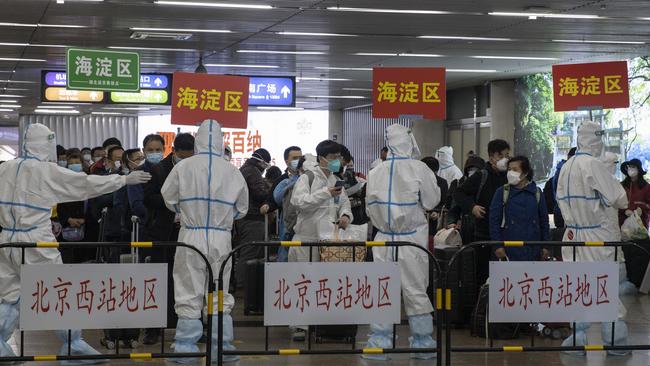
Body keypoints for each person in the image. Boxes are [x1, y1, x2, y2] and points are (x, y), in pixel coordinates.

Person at [0, 123, 150, 363]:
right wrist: (122, 181)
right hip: (36, 240)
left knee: (9, 294)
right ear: (47, 143)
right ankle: (73, 344)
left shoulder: (5, 168)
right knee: (60, 290)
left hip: (7, 240)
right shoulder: (46, 170)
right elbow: (85, 184)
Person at [161, 119, 248, 363]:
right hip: (222, 238)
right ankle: (223, 348)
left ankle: (186, 350)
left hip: (191, 234)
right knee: (220, 290)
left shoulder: (183, 167)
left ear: (197, 140)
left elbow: (168, 197)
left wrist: (185, 210)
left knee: (188, 290)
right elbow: (242, 209)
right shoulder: (232, 170)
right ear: (222, 142)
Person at [364, 124, 440, 360]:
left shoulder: (376, 171)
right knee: (416, 290)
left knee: (382, 289)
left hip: (383, 238)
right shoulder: (420, 168)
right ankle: (422, 341)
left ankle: (380, 340)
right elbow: (431, 201)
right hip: (411, 238)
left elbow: (369, 207)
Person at [557, 122, 629, 356]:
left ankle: (576, 341)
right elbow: (621, 199)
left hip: (571, 235)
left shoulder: (567, 166)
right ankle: (615, 341)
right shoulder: (593, 165)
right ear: (596, 140)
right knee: (602, 287)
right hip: (595, 235)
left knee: (577, 288)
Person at [289, 141, 352, 341]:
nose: (337, 161)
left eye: (339, 157)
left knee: (324, 284)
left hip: (328, 240)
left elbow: (344, 203)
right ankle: (299, 326)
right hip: (305, 240)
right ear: (321, 158)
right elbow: (299, 203)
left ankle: (320, 324)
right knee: (302, 283)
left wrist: (345, 216)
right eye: (333, 157)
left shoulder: (336, 179)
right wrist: (325, 193)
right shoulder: (307, 177)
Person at [453, 139, 510, 284]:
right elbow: (459, 193)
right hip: (483, 234)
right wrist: (472, 207)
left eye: (507, 156)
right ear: (491, 158)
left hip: (505, 234)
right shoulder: (481, 176)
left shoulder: (509, 177)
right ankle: (481, 305)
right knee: (483, 275)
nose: (505, 160)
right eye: (501, 156)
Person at [489, 156, 550, 261]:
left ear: (525, 173)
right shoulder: (502, 192)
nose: (510, 172)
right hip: (508, 251)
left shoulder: (537, 193)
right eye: (509, 169)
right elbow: (494, 221)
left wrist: (546, 245)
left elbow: (544, 221)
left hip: (533, 251)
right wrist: (497, 245)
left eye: (515, 169)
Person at [234, 148, 272, 289]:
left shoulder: (244, 169)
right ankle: (243, 287)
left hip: (244, 217)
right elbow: (260, 194)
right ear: (261, 162)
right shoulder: (252, 171)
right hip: (252, 218)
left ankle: (241, 284)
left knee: (246, 251)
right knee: (249, 253)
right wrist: (270, 190)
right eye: (266, 164)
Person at [268, 146, 302, 262]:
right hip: (288, 224)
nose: (299, 161)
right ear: (287, 161)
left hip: (304, 224)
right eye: (295, 158)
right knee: (285, 255)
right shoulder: (282, 180)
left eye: (300, 158)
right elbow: (275, 199)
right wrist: (290, 185)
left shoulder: (307, 177)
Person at [57, 149, 89, 263]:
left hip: (87, 229)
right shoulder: (62, 182)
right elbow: (59, 205)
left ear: (82, 164)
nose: (74, 166)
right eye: (71, 164)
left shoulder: (89, 180)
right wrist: (68, 219)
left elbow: (93, 203)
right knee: (67, 260)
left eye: (77, 163)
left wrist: (85, 219)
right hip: (66, 228)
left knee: (84, 261)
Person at [447, 155, 486, 244]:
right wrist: (452, 222)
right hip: (465, 228)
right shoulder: (460, 184)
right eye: (470, 169)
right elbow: (454, 208)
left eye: (476, 169)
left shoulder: (485, 184)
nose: (472, 172)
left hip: (483, 229)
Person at [421, 156, 449, 233]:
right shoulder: (419, 181)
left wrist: (437, 211)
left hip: (436, 220)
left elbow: (444, 201)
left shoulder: (442, 182)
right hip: (420, 218)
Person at [620, 158, 650, 228]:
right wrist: (624, 211)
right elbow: (616, 202)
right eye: (629, 167)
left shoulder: (646, 187)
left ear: (639, 170)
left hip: (641, 224)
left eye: (633, 167)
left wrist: (641, 209)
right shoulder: (622, 185)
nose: (630, 169)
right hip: (623, 223)